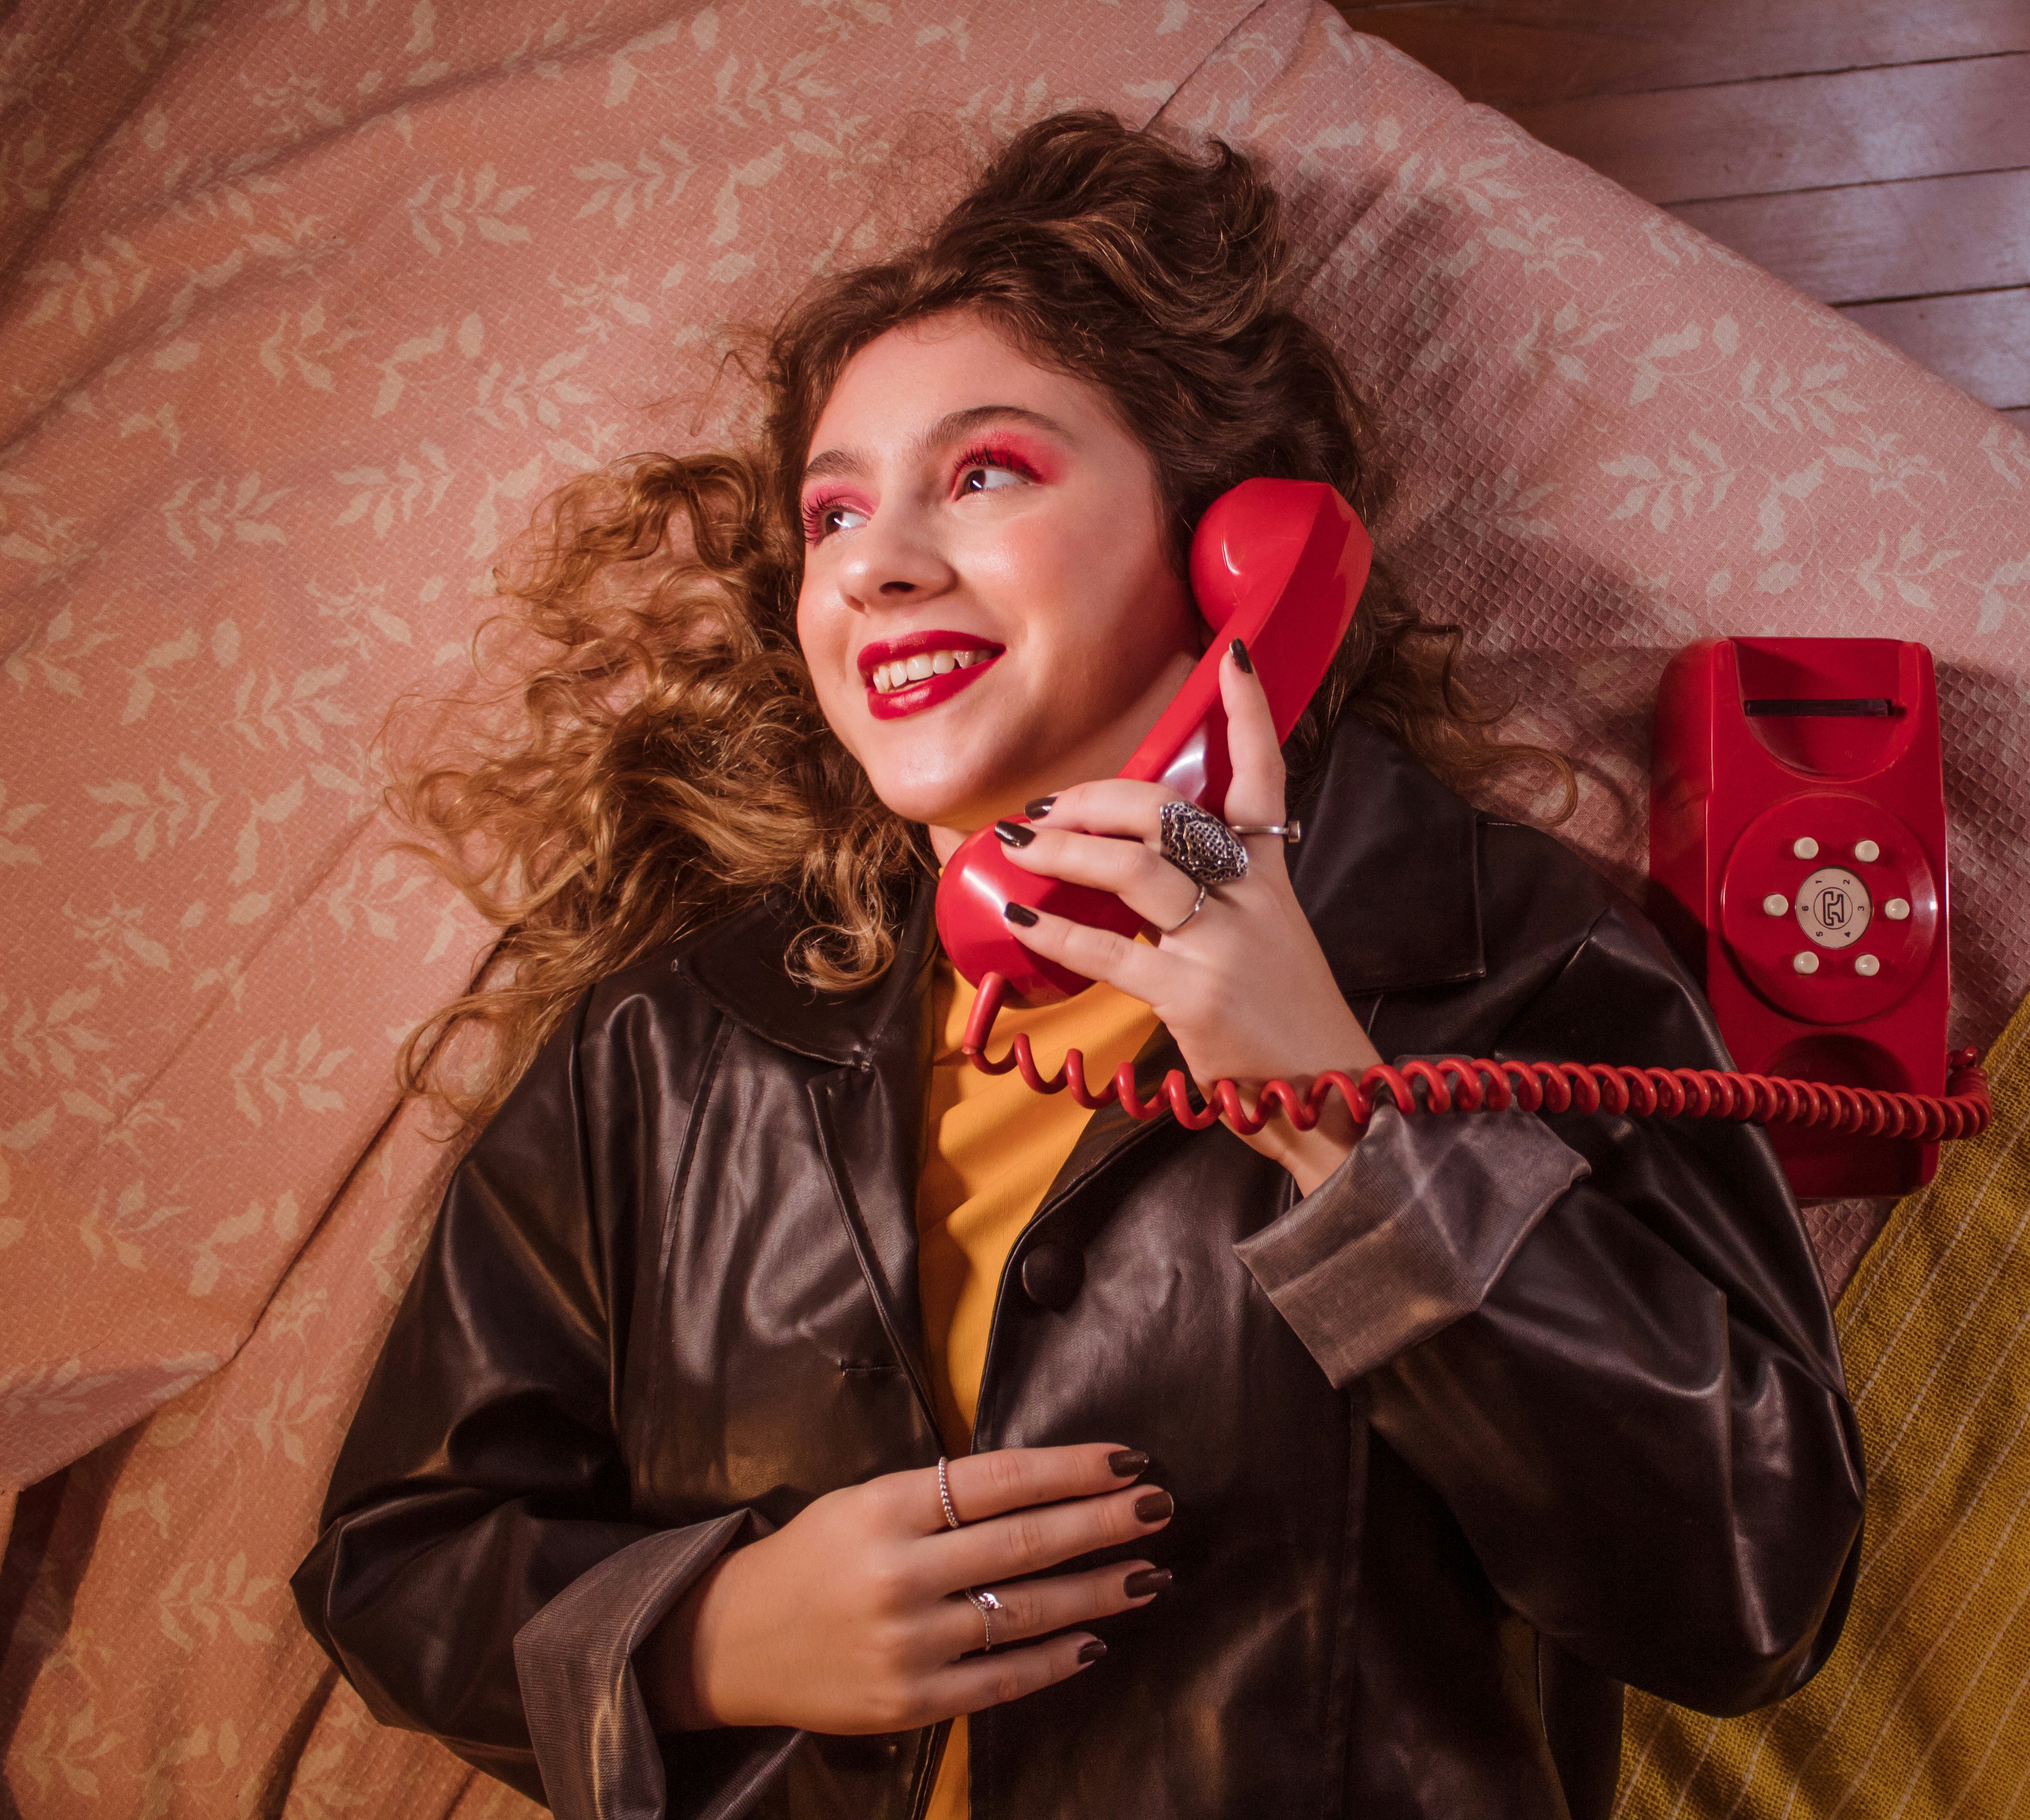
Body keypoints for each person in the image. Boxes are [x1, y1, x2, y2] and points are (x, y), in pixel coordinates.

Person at [291, 111, 1863, 1820]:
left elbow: (1752, 1590)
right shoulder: (677, 1048)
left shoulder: (1520, 966)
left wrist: (1343, 1122)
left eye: (983, 476)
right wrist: (711, 1637)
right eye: (831, 512)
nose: (875, 563)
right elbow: (397, 1562)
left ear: (1236, 553)